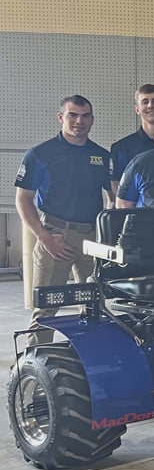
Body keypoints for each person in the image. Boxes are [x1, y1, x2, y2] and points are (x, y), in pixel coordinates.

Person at [15, 95, 112, 345]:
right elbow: (23, 200)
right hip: (55, 236)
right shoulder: (40, 154)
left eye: (85, 116)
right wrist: (45, 238)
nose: (79, 121)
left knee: (93, 306)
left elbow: (114, 197)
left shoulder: (101, 156)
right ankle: (35, 367)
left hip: (92, 238)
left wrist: (105, 236)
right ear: (61, 117)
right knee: (46, 308)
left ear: (92, 120)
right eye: (73, 115)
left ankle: (89, 361)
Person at [110, 84, 154, 196]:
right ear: (137, 109)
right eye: (145, 102)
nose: (150, 105)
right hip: (136, 212)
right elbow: (117, 188)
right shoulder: (121, 148)